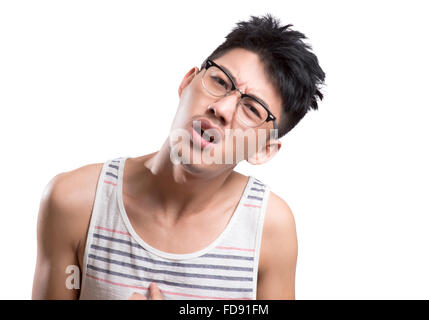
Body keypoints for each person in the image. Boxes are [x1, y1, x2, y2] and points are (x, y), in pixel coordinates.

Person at [32, 14, 325, 300]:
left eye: (252, 109)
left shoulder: (269, 229)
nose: (221, 109)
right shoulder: (74, 201)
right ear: (187, 82)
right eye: (221, 82)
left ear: (264, 150)